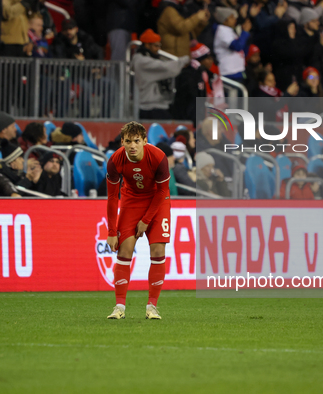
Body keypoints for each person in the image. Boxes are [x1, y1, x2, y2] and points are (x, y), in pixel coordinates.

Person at [105, 122, 172, 320]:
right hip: (131, 200)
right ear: (122, 142)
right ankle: (119, 307)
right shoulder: (115, 161)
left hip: (157, 201)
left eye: (136, 141)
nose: (132, 145)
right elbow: (111, 198)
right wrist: (111, 231)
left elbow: (162, 191)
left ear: (145, 141)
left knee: (158, 251)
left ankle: (152, 306)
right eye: (128, 141)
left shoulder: (159, 157)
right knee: (124, 250)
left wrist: (146, 220)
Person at [133, 28, 189, 120]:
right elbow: (165, 67)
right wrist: (184, 61)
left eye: (159, 46)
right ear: (147, 45)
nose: (158, 49)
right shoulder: (141, 61)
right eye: (156, 46)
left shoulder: (151, 58)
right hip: (150, 109)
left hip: (160, 106)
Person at [213, 6, 251, 84]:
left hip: (236, 71)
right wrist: (245, 32)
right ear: (225, 20)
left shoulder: (229, 30)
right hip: (229, 73)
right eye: (231, 18)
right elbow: (237, 46)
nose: (235, 20)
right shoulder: (222, 31)